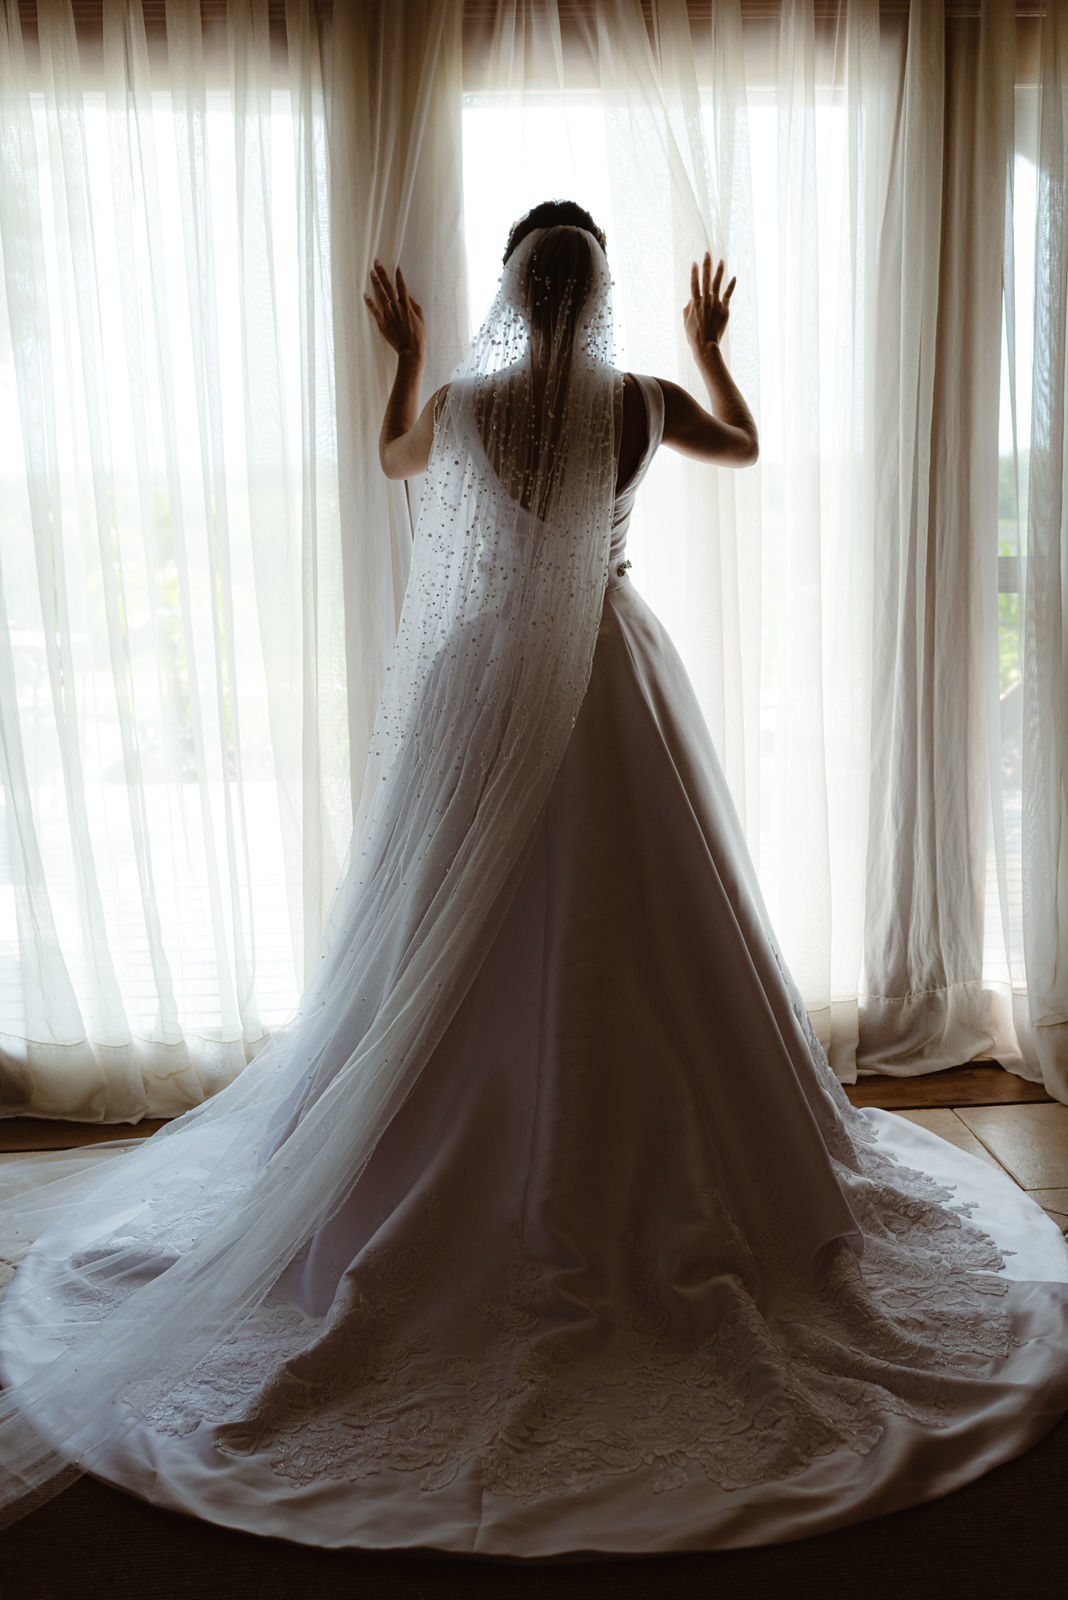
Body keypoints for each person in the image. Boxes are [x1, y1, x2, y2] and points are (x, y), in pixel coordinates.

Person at [0, 201, 1066, 1558]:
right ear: (601, 292)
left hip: (497, 669)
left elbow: (396, 457)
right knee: (641, 925)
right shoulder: (642, 399)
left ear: (512, 289)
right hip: (611, 667)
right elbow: (741, 443)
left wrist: (402, 351)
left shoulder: (466, 401)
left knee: (460, 933)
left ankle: (443, 1142)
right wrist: (714, 344)